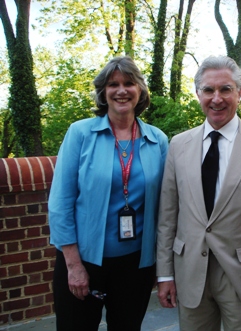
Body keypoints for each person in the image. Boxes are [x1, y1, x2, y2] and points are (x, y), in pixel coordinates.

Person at [156, 55, 241, 331]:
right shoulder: (178, 146)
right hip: (190, 271)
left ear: (239, 93)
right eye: (208, 90)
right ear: (198, 94)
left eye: (225, 89)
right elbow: (168, 217)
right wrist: (165, 273)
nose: (217, 98)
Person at [48, 56, 169, 330]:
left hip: (136, 264)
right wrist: (73, 265)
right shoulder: (81, 133)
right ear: (104, 92)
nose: (121, 90)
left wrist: (163, 267)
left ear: (140, 91)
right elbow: (60, 202)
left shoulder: (157, 140)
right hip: (85, 259)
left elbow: (166, 207)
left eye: (129, 83)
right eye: (113, 84)